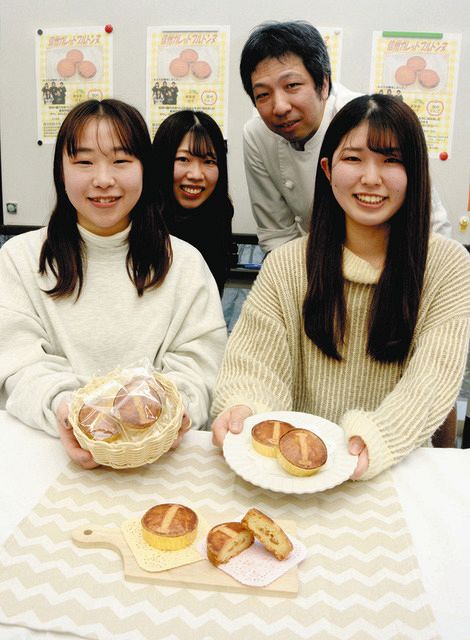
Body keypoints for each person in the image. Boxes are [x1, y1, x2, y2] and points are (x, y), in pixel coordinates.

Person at [211, 94, 470, 481]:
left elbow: (431, 380)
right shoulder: (287, 265)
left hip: (395, 469)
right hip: (292, 470)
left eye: (391, 160)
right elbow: (254, 364)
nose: (370, 177)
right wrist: (245, 406)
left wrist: (375, 439)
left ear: (416, 174)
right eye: (353, 159)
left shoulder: (448, 265)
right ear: (328, 170)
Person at [0, 98, 227, 469]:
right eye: (84, 161)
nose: (103, 179)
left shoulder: (184, 264)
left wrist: (176, 407)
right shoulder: (21, 259)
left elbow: (200, 365)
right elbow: (17, 364)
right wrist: (68, 409)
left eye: (121, 161)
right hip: (49, 453)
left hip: (160, 458)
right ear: (61, 170)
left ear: (145, 169)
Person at [240, 20, 452, 253]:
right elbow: (276, 234)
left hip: (395, 260)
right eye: (262, 94)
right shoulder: (257, 134)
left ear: (323, 84)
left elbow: (431, 226)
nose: (279, 107)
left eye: (291, 85)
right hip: (314, 264)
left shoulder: (368, 119)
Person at [152, 110, 235, 295]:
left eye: (209, 161)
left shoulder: (219, 213)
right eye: (183, 159)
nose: (196, 175)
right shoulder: (139, 219)